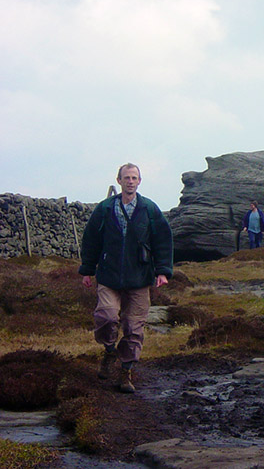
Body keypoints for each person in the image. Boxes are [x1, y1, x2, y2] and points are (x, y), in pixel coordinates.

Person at [78, 163, 173, 393]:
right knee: (106, 317)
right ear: (118, 180)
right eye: (126, 177)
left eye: (134, 177)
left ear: (139, 181)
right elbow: (91, 239)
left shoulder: (150, 209)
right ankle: (110, 350)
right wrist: (88, 270)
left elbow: (162, 240)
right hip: (109, 276)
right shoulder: (104, 208)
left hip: (139, 278)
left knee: (134, 327)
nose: (130, 181)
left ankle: (125, 372)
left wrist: (162, 271)